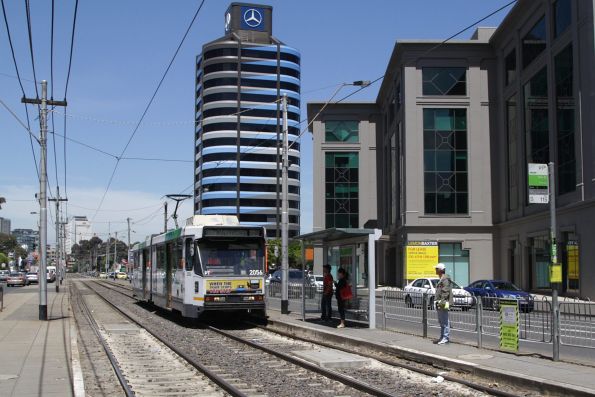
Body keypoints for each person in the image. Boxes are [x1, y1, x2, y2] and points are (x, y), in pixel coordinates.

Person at [434, 263, 453, 345]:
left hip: (443, 303)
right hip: (440, 303)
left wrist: (441, 301)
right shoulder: (442, 278)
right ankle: (442, 337)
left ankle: (445, 338)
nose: (435, 270)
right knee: (441, 321)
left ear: (440, 270)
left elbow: (445, 291)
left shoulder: (445, 279)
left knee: (444, 321)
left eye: (437, 268)